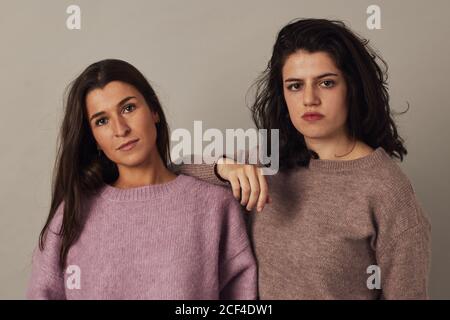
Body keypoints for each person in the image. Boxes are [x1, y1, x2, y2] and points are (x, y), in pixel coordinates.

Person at [176, 18, 431, 299]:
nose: (310, 99)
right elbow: (168, 170)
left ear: (352, 87)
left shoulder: (388, 190)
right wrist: (222, 168)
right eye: (295, 86)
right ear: (282, 94)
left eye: (326, 83)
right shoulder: (267, 160)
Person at [27, 59, 257, 300]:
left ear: (154, 111)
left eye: (128, 108)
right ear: (94, 138)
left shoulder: (215, 207)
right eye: (102, 121)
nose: (120, 128)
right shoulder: (73, 214)